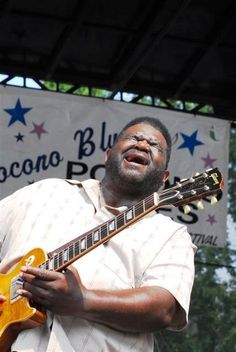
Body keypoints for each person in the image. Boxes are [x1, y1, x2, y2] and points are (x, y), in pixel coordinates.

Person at [0, 116, 196, 352]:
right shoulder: (45, 191)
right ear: (108, 154)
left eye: (155, 146)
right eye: (133, 138)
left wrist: (83, 301)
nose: (143, 145)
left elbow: (165, 309)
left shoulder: (170, 235)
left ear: (164, 178)